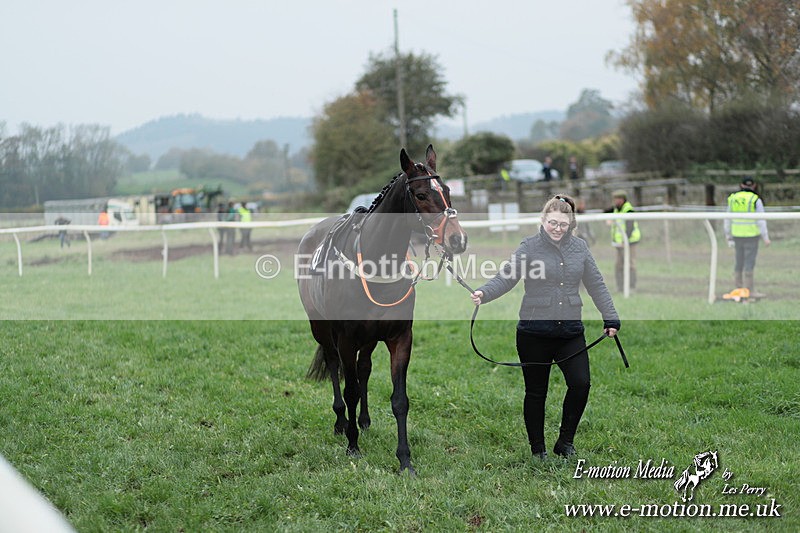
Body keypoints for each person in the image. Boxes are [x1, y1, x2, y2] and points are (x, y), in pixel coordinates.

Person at [469, 194, 620, 460]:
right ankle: (537, 449)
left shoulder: (580, 248)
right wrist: (484, 293)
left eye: (563, 224)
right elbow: (507, 276)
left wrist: (610, 318)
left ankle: (565, 442)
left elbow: (597, 284)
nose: (557, 229)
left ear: (570, 223)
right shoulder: (529, 246)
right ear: (543, 220)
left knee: (581, 383)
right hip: (533, 333)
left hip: (570, 332)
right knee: (536, 392)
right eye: (553, 223)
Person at [724, 176, 770, 297]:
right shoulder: (755, 200)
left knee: (739, 262)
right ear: (754, 186)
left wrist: (727, 234)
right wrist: (765, 236)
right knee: (749, 263)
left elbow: (727, 218)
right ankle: (749, 291)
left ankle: (738, 289)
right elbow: (761, 220)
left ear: (741, 185)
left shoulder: (733, 199)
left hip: (737, 235)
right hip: (751, 236)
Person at [606, 190, 641, 292]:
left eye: (616, 199)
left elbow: (629, 228)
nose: (615, 201)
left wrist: (624, 241)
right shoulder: (617, 209)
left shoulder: (628, 210)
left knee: (630, 265)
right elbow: (606, 211)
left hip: (629, 242)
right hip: (619, 243)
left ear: (622, 199)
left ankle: (631, 287)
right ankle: (620, 287)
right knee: (618, 265)